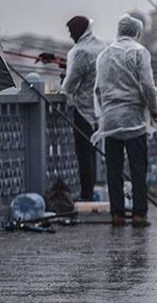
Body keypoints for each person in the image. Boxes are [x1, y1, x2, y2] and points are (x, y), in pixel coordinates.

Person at [93, 14, 157, 227]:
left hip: (111, 120)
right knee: (137, 167)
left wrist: (105, 112)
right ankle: (139, 214)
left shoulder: (104, 54)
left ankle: (117, 214)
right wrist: (155, 111)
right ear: (137, 32)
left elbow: (97, 89)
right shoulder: (140, 52)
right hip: (134, 119)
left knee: (113, 170)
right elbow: (147, 86)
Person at [61, 15, 106, 201]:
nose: (71, 36)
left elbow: (70, 85)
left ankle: (86, 195)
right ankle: (93, 191)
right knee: (94, 153)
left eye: (72, 32)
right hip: (101, 109)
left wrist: (63, 84)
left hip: (83, 111)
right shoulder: (101, 46)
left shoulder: (80, 51)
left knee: (84, 155)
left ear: (79, 31)